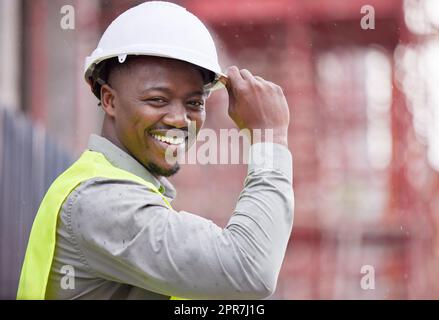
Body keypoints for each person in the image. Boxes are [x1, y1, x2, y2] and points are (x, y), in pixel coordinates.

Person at [17, 1, 293, 300]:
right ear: (109, 100)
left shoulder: (130, 193)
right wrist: (269, 137)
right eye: (158, 100)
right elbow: (249, 271)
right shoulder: (102, 202)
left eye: (194, 103)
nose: (179, 119)